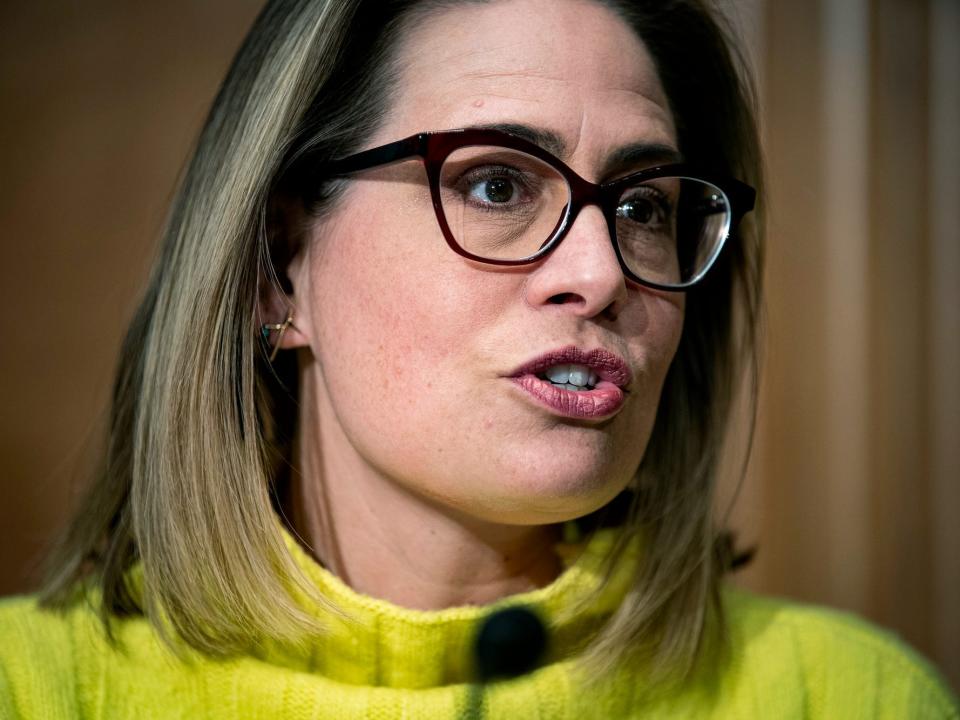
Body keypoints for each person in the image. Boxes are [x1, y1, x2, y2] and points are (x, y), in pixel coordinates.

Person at [1, 0, 957, 717]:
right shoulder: (33, 691)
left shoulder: (848, 697)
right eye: (497, 183)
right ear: (278, 275)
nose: (597, 272)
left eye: (645, 207)